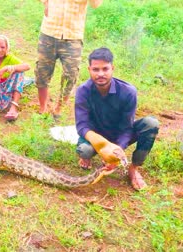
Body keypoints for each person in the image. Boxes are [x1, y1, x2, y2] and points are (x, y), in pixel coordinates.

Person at [75, 47, 159, 190]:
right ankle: (87, 156)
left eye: (105, 69)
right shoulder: (83, 91)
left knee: (151, 123)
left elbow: (126, 128)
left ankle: (134, 169)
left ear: (112, 68)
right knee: (84, 150)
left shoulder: (128, 92)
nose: (100, 74)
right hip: (96, 136)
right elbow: (82, 125)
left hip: (118, 134)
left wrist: (116, 152)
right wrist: (101, 145)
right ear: (89, 69)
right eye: (96, 69)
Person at [35, 0, 103, 118]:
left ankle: (58, 108)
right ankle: (43, 107)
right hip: (49, 32)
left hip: (73, 36)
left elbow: (95, 4)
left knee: (71, 74)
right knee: (41, 71)